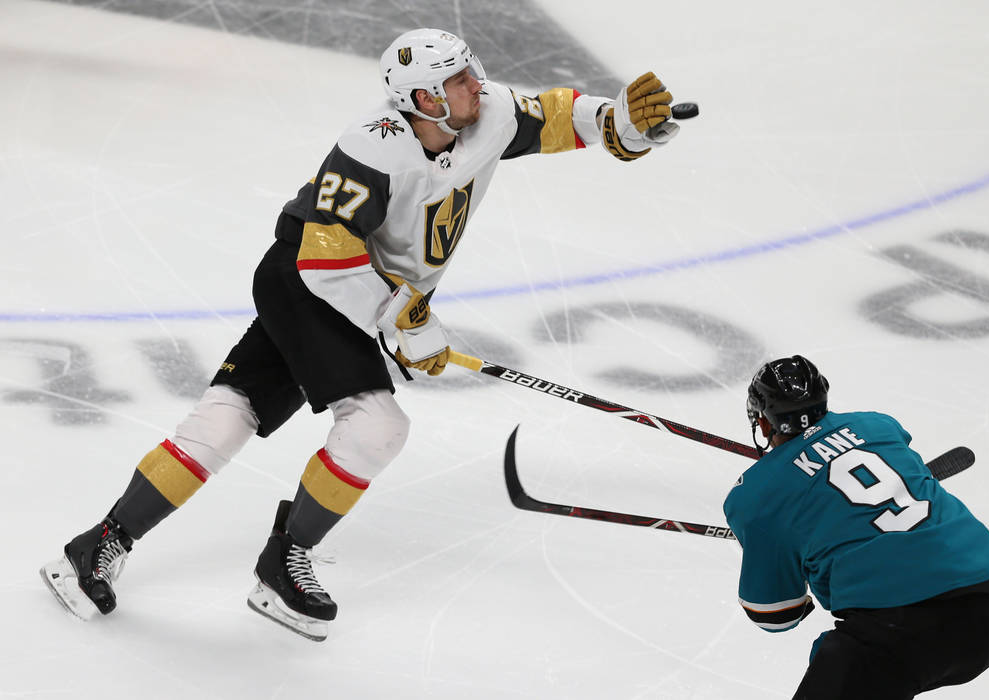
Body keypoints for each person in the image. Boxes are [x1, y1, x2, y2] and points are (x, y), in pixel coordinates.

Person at [39, 28, 682, 641]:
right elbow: (328, 259)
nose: (475, 85)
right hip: (308, 279)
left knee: (227, 417)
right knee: (377, 427)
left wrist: (621, 122)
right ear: (422, 100)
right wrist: (405, 319)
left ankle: (95, 547)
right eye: (456, 79)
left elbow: (553, 114)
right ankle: (284, 561)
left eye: (470, 70)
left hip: (359, 286)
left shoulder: (485, 112)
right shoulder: (373, 147)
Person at [723, 355, 989, 699]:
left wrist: (786, 556)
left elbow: (775, 616)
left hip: (894, 637)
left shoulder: (755, 496)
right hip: (985, 617)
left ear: (763, 423)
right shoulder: (879, 426)